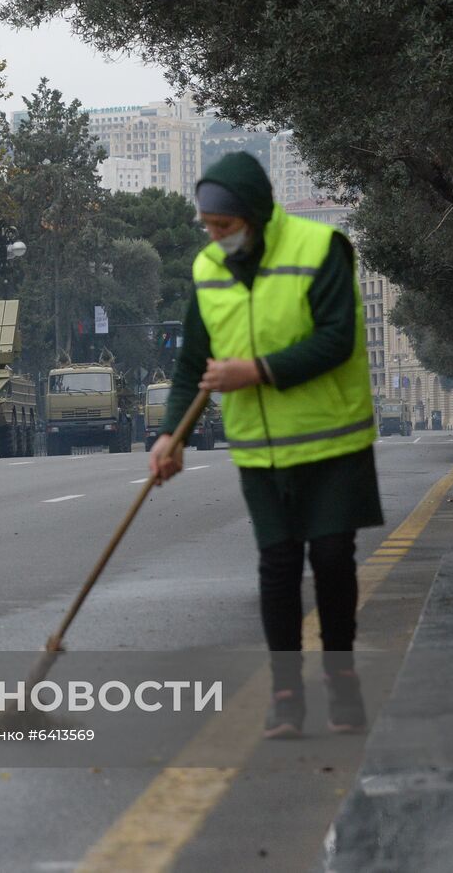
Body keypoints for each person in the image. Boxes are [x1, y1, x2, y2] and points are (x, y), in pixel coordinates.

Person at [149, 152, 382, 739]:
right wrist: (168, 435)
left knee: (331, 558)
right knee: (278, 565)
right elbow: (191, 365)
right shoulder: (207, 269)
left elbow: (337, 339)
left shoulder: (320, 249)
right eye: (208, 227)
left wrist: (256, 371)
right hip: (260, 450)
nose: (215, 237)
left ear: (253, 215)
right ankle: (285, 696)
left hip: (331, 441)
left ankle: (343, 680)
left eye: (223, 226)